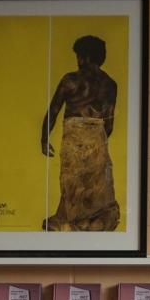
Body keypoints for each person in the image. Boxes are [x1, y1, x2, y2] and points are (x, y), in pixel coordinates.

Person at [40, 34, 120, 232]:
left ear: (84, 57)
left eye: (79, 56)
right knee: (96, 182)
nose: (78, 61)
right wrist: (97, 139)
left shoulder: (71, 80)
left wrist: (44, 138)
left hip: (73, 136)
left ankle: (71, 222)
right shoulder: (109, 84)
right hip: (97, 136)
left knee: (72, 181)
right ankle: (90, 222)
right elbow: (109, 122)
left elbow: (53, 110)